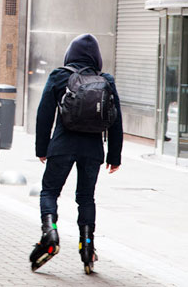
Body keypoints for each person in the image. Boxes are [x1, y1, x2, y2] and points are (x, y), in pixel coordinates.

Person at [30, 34, 123, 273]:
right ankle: (87, 247)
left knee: (50, 191)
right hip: (93, 150)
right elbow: (115, 120)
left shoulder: (60, 76)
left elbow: (44, 114)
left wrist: (42, 148)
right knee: (86, 198)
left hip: (62, 145)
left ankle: (50, 234)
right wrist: (114, 156)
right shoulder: (106, 80)